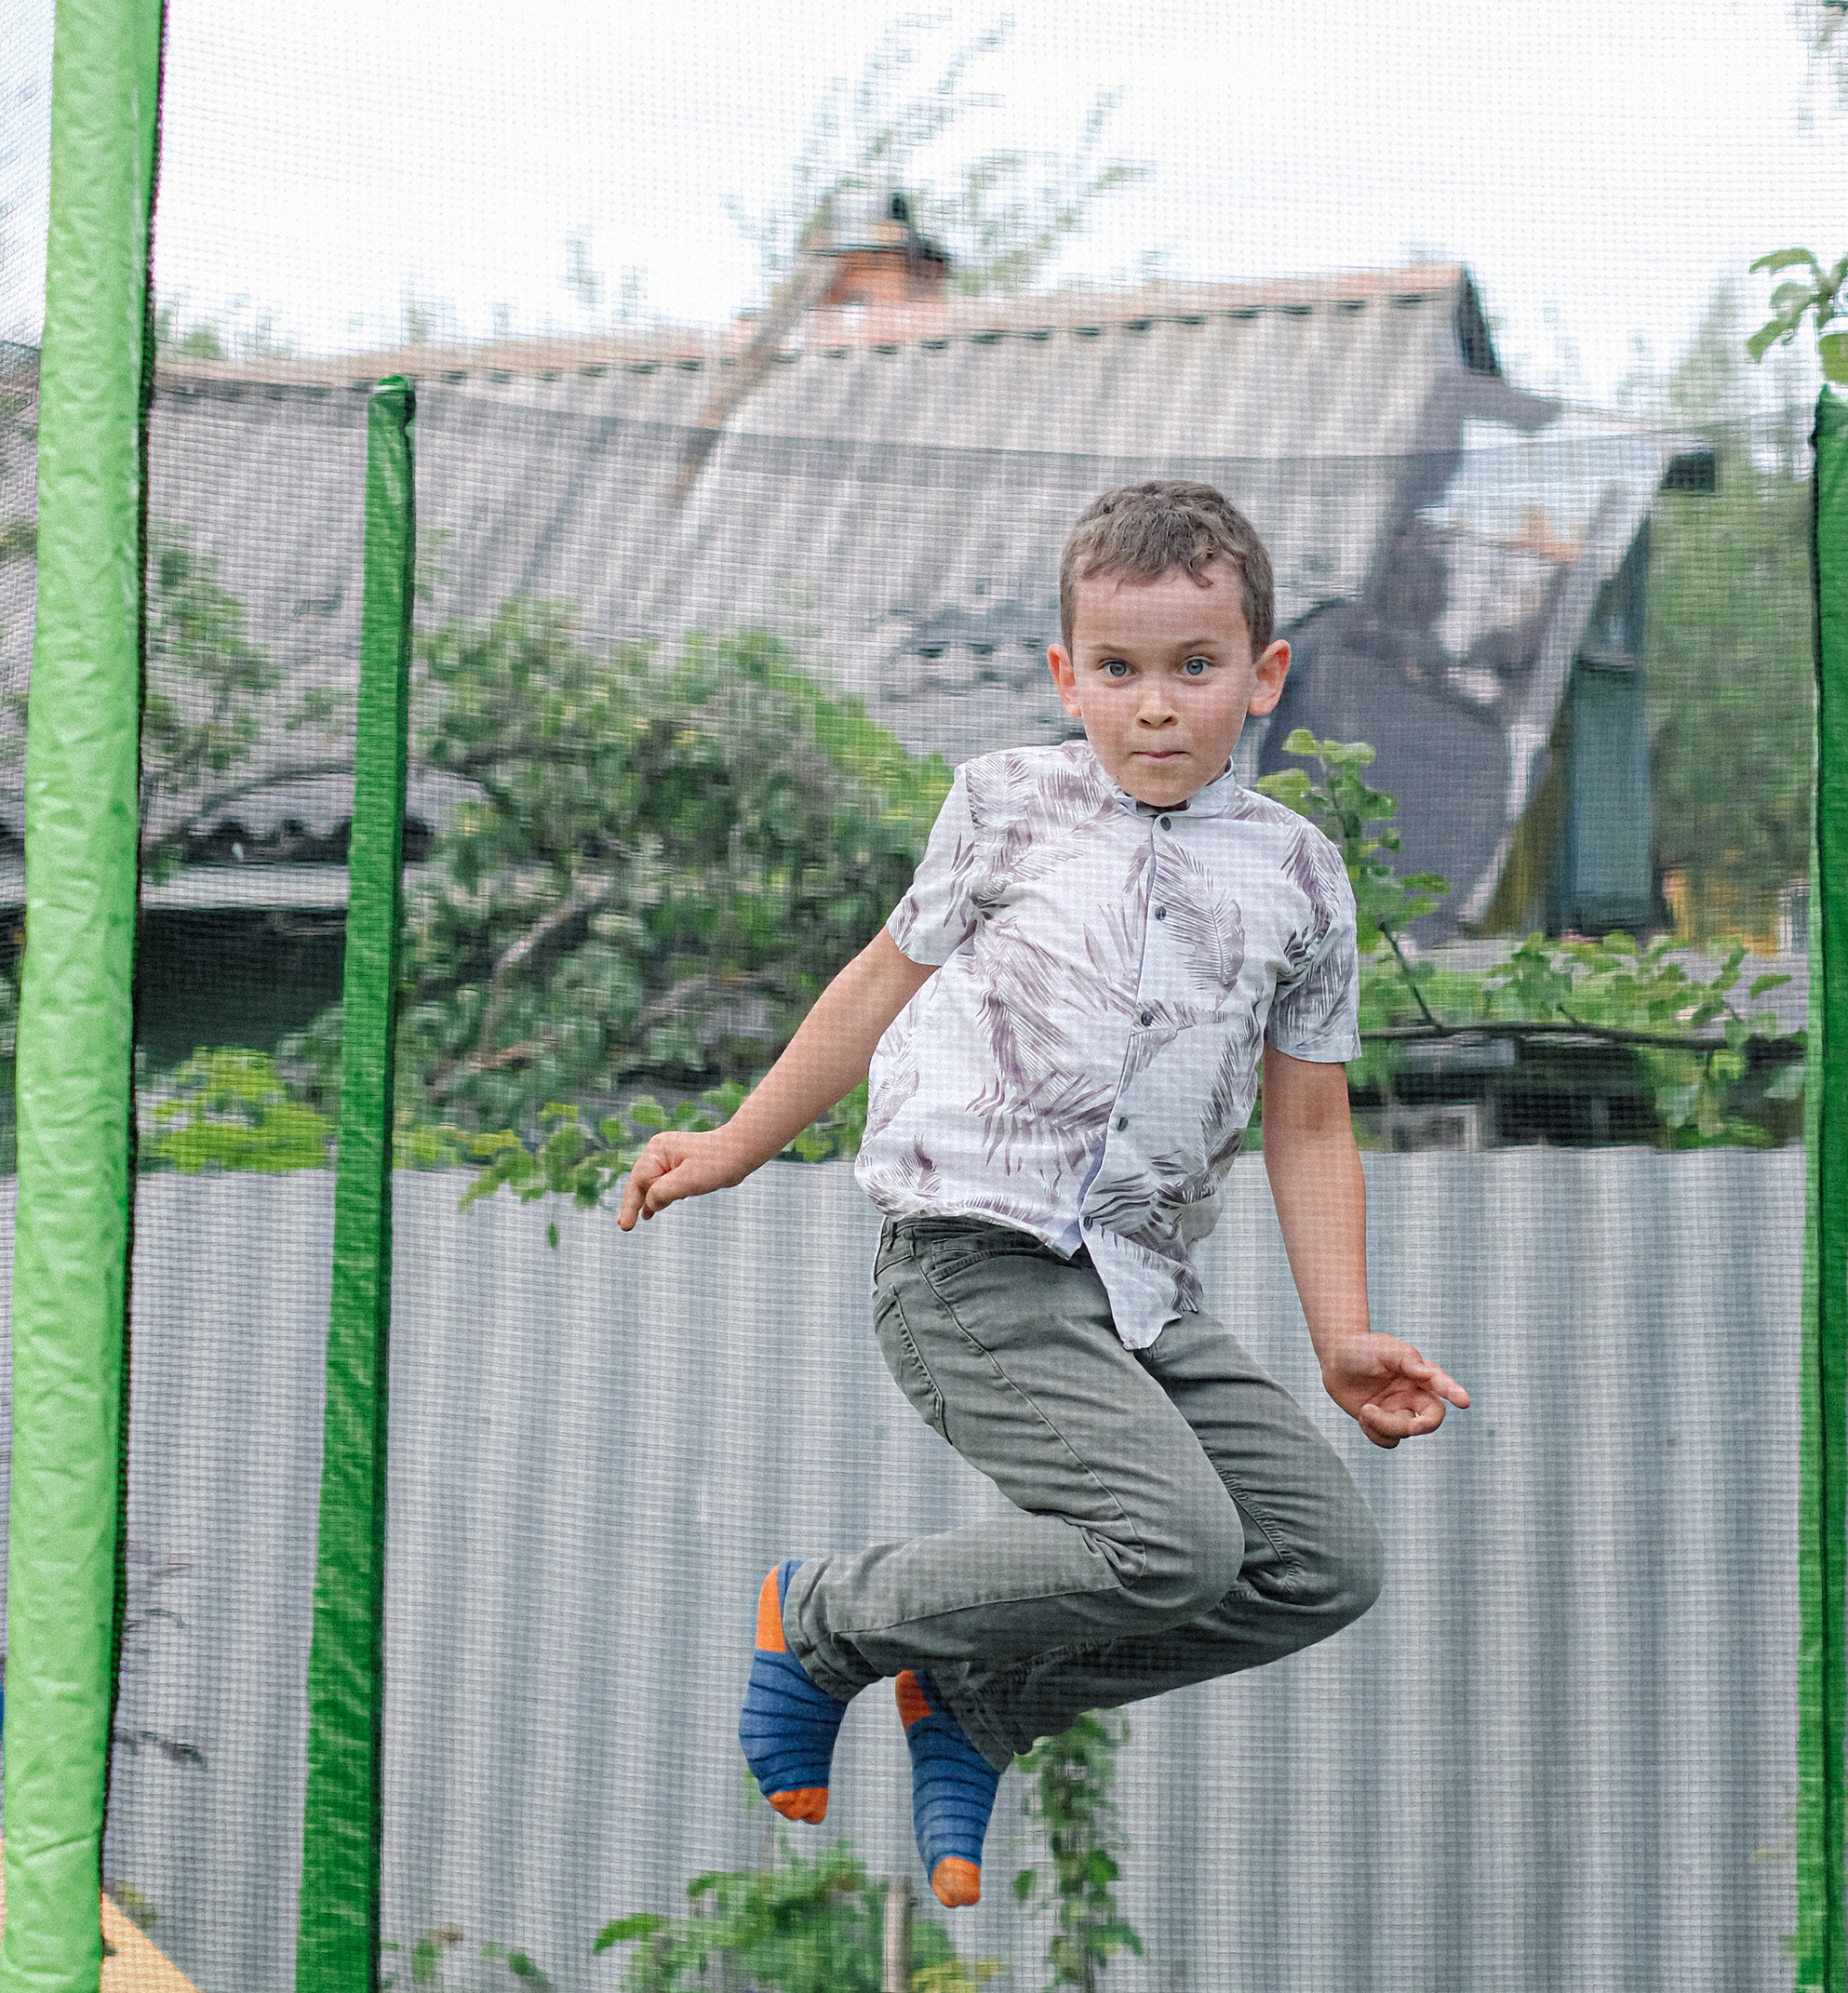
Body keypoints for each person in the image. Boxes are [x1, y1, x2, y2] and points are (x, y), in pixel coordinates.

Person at [617, 478, 1467, 1908]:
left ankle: (982, 1702)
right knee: (1175, 1543)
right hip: (972, 1259)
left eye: (1194, 669)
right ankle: (825, 1619)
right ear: (1066, 677)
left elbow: (1309, 1128)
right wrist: (736, 1142)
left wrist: (1341, 1337)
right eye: (1121, 671)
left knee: (1321, 1560)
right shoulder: (1006, 807)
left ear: (1262, 678)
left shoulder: (1302, 880)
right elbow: (880, 985)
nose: (1155, 707)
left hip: (1137, 1288)